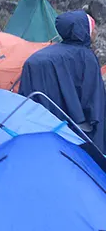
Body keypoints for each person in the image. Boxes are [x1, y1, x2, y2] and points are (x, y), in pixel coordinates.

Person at [18, 10, 106, 154]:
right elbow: (93, 101)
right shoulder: (86, 57)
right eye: (93, 28)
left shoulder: (40, 56)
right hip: (75, 133)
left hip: (38, 127)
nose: (96, 32)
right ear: (83, 30)